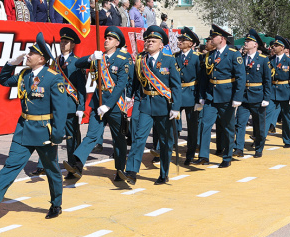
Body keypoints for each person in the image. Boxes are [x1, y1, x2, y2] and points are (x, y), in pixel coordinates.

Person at [0, 33, 65, 219]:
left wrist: (57, 135)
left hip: (44, 130)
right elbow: (3, 81)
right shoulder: (24, 74)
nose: (27, 55)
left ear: (41, 58)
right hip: (24, 128)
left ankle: (56, 204)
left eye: (32, 53)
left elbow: (60, 110)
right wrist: (10, 63)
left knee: (52, 170)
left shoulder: (53, 78)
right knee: (11, 165)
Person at [64, 26, 132, 181]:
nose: (106, 41)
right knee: (91, 136)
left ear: (117, 42)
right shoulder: (99, 57)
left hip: (113, 106)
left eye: (110, 39)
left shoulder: (123, 59)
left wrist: (107, 105)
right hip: (97, 104)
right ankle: (77, 165)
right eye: (106, 38)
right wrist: (90, 58)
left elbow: (121, 85)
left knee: (118, 139)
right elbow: (77, 64)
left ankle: (120, 170)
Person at [122, 25, 181, 185]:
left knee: (165, 140)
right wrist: (128, 97)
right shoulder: (141, 59)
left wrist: (175, 108)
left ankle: (164, 173)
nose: (149, 43)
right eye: (147, 40)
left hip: (164, 105)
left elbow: (176, 86)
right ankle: (132, 172)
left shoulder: (169, 60)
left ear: (161, 45)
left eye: (153, 41)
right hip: (145, 104)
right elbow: (135, 81)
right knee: (138, 138)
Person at [32, 27, 87, 176]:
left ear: (73, 45)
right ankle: (44, 164)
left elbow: (81, 87)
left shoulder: (77, 62)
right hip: (53, 105)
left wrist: (81, 106)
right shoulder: (54, 62)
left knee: (71, 138)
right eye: (62, 41)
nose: (63, 44)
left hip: (70, 106)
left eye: (67, 42)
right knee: (49, 135)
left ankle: (74, 166)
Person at [195, 25, 245, 167]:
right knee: (205, 124)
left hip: (227, 96)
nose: (210, 40)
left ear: (221, 39)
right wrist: (202, 95)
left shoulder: (234, 54)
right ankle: (204, 156)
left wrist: (237, 97)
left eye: (213, 37)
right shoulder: (209, 56)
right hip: (211, 96)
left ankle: (227, 156)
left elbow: (241, 77)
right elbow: (204, 77)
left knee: (228, 127)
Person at [234, 30, 271, 158]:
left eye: (248, 41)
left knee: (259, 125)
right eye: (246, 41)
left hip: (258, 97)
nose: (246, 43)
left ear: (255, 44)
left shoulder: (263, 59)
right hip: (244, 97)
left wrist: (266, 97)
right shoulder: (241, 59)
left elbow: (267, 80)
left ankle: (259, 147)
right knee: (240, 123)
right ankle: (239, 148)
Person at [265, 36, 290, 149]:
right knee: (267, 114)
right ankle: (260, 138)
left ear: (282, 47)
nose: (273, 47)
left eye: (276, 46)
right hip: (272, 91)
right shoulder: (270, 60)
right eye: (273, 46)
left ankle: (288, 139)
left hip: (285, 91)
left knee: (286, 117)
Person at [176, 28, 202, 165]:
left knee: (192, 128)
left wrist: (200, 99)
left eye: (183, 40)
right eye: (179, 39)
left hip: (191, 94)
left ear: (191, 44)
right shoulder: (175, 57)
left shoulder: (197, 58)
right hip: (177, 95)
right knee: (172, 125)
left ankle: (190, 154)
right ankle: (167, 151)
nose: (179, 41)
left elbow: (201, 79)